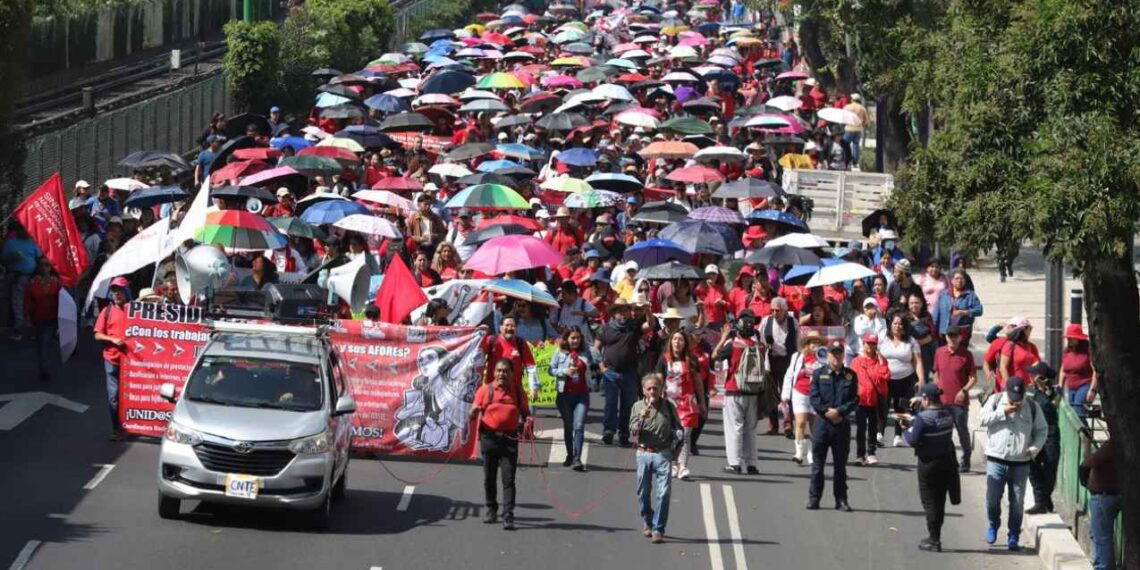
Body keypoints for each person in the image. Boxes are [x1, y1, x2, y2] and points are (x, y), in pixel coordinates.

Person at [979, 376, 1048, 551]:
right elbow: (982, 419)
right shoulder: (995, 401)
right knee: (993, 499)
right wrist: (1004, 412)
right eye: (1012, 397)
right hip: (996, 459)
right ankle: (993, 524)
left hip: (1020, 462)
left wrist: (1033, 449)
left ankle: (1013, 535)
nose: (1015, 400)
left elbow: (1042, 431)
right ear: (1006, 391)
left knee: (1017, 502)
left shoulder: (1032, 406)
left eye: (1018, 397)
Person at [469, 358, 530, 530]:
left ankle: (508, 515)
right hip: (489, 439)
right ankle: (491, 509)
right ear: (494, 372)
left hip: (510, 440)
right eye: (499, 371)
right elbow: (471, 415)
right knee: (489, 478)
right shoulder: (484, 391)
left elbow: (526, 412)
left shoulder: (518, 392)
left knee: (508, 479)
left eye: (505, 371)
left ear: (512, 373)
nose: (502, 374)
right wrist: (473, 412)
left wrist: (528, 422)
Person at [903, 382, 962, 552]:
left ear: (926, 399)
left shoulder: (923, 419)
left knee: (930, 501)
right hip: (947, 462)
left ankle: (934, 539)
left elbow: (913, 440)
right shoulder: (948, 414)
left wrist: (906, 430)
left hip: (929, 464)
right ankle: (936, 535)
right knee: (940, 501)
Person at [630, 373, 683, 544]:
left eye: (656, 388)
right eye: (649, 388)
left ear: (661, 389)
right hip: (644, 453)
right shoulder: (637, 407)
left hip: (663, 453)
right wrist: (640, 420)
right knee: (643, 492)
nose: (653, 391)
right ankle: (647, 520)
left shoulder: (668, 406)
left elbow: (679, 431)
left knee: (664, 493)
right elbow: (632, 432)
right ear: (644, 391)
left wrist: (676, 452)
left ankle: (658, 529)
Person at [807, 340, 858, 511]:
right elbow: (814, 398)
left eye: (839, 353)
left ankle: (841, 500)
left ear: (843, 355)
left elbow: (854, 400)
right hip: (822, 423)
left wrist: (840, 412)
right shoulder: (818, 374)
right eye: (833, 353)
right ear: (827, 355)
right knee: (817, 466)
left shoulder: (851, 375)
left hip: (841, 425)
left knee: (840, 467)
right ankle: (814, 499)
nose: (836, 357)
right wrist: (826, 411)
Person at [712, 310, 765, 474]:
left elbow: (714, 357)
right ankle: (751, 464)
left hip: (734, 390)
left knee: (734, 427)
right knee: (750, 429)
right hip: (754, 391)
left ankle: (734, 463)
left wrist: (723, 338)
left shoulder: (733, 345)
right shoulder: (760, 346)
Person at [596, 299, 651, 447]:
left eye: (625, 310)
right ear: (614, 313)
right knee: (611, 403)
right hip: (610, 372)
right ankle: (608, 430)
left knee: (628, 405)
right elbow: (596, 349)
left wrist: (648, 312)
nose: (623, 314)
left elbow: (649, 325)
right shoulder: (606, 329)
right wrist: (602, 368)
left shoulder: (634, 327)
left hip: (630, 372)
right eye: (620, 311)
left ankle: (624, 433)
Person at [655, 330, 706, 480]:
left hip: (687, 402)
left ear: (685, 343)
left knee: (685, 435)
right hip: (669, 403)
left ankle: (683, 465)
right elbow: (659, 380)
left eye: (681, 340)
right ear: (670, 342)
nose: (677, 342)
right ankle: (672, 464)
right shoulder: (663, 359)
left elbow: (698, 383)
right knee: (672, 435)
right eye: (675, 339)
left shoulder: (692, 360)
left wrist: (702, 402)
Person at [549, 327, 599, 471]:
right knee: (569, 426)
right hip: (564, 394)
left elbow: (599, 359)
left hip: (581, 395)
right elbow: (550, 370)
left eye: (578, 338)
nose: (575, 341)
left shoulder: (587, 352)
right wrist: (564, 371)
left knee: (579, 426)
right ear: (566, 339)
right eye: (572, 338)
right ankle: (569, 454)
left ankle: (577, 458)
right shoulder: (559, 353)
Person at [932, 325, 977, 472]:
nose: (952, 338)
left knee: (962, 431)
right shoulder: (939, 352)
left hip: (959, 403)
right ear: (946, 337)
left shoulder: (966, 355)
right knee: (944, 432)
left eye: (955, 336)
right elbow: (936, 373)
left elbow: (973, 378)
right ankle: (946, 460)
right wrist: (935, 391)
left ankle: (966, 461)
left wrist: (964, 390)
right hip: (942, 401)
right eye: (949, 336)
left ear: (960, 337)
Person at [94, 278, 131, 439]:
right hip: (111, 359)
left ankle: (130, 425)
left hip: (131, 361)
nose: (117, 293)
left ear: (126, 292)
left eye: (120, 290)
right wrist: (112, 339)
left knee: (130, 396)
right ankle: (116, 428)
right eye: (114, 290)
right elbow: (97, 335)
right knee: (114, 396)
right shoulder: (106, 311)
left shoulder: (134, 310)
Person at [880, 312, 924, 447]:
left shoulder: (911, 341)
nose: (898, 326)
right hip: (886, 378)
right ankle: (879, 433)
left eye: (900, 324)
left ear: (904, 326)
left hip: (905, 378)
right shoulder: (883, 338)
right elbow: (878, 355)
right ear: (890, 325)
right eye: (895, 323)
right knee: (883, 405)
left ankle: (898, 435)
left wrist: (921, 378)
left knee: (901, 406)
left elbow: (918, 361)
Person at [782, 330, 825, 465]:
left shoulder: (823, 358)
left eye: (817, 342)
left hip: (816, 395)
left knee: (814, 425)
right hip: (799, 392)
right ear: (807, 343)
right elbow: (789, 375)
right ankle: (799, 452)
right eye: (813, 342)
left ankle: (812, 453)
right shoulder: (797, 357)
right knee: (800, 422)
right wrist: (785, 394)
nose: (815, 344)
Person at [758, 297, 799, 434]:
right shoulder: (766, 322)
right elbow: (761, 342)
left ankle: (788, 424)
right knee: (770, 394)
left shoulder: (793, 323)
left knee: (786, 393)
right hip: (771, 361)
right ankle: (773, 424)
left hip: (788, 361)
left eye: (778, 310)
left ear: (785, 310)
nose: (774, 313)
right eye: (772, 310)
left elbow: (798, 345)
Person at [1025, 362, 1060, 515]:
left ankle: (1045, 498)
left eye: (1039, 376)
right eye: (1034, 375)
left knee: (1050, 467)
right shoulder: (1029, 391)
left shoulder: (1054, 392)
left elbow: (1054, 405)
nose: (1035, 378)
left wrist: (1047, 390)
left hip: (1051, 434)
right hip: (1033, 433)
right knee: (1032, 465)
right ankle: (1040, 500)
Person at [849, 333, 890, 466]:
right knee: (860, 428)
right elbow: (850, 379)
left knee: (873, 427)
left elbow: (886, 376)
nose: (870, 346)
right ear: (863, 344)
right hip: (861, 400)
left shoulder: (880, 361)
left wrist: (881, 360)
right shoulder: (856, 361)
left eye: (873, 343)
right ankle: (860, 455)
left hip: (875, 400)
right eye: (868, 343)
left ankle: (871, 452)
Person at [1082, 434, 1119, 570]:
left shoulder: (1114, 444)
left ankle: (1103, 567)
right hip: (1106, 496)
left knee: (1102, 538)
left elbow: (1089, 461)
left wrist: (1086, 444)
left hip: (1104, 497)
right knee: (1097, 535)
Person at [2, 224, 41, 340]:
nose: (25, 232)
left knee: (32, 302)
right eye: (22, 229)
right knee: (17, 302)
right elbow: (3, 259)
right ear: (18, 230)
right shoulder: (10, 242)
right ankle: (18, 328)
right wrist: (11, 259)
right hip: (16, 276)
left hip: (31, 277)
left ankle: (33, 327)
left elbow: (39, 258)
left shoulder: (33, 242)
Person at [25, 258, 62, 381]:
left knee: (47, 343)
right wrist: (28, 318)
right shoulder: (32, 283)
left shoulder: (56, 283)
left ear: (51, 268)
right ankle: (44, 369)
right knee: (43, 344)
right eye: (42, 265)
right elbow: (28, 301)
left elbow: (63, 300)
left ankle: (46, 366)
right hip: (39, 318)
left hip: (53, 318)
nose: (44, 268)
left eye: (47, 265)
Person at [1060, 323, 1096, 422]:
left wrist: (1092, 390)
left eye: (1072, 338)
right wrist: (1060, 385)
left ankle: (1084, 436)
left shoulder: (1088, 350)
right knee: (1072, 415)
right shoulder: (1067, 351)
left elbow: (1095, 371)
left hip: (1084, 384)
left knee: (1078, 413)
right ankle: (1082, 436)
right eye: (1068, 338)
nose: (1069, 340)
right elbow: (1063, 369)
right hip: (1071, 386)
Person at [933, 269, 984, 338]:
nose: (959, 281)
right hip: (944, 331)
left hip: (962, 333)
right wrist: (934, 329)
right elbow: (936, 313)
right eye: (956, 278)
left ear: (965, 280)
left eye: (962, 278)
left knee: (961, 349)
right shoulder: (944, 294)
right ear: (951, 280)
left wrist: (965, 312)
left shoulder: (970, 295)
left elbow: (979, 310)